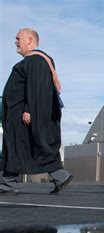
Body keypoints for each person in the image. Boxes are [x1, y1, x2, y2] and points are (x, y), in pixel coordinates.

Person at [1, 28, 72, 195]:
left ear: (30, 40)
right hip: (18, 115)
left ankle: (60, 176)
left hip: (23, 115)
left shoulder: (35, 61)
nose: (16, 42)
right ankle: (8, 182)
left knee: (33, 146)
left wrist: (28, 110)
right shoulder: (35, 61)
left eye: (18, 38)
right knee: (20, 148)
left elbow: (37, 89)